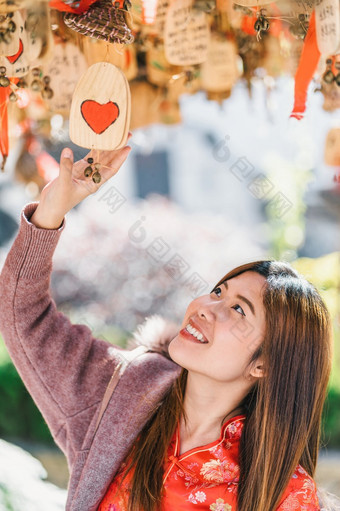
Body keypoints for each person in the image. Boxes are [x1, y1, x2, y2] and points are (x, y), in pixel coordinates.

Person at [0, 141, 336, 511]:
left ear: (265, 363)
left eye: (239, 310)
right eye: (218, 291)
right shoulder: (121, 393)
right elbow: (24, 316)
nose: (206, 307)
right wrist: (50, 213)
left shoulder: (286, 496)